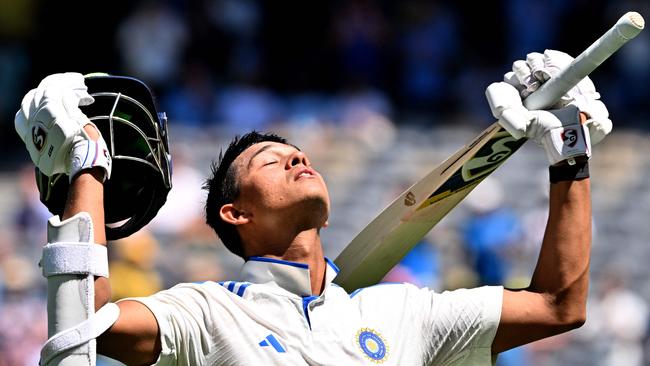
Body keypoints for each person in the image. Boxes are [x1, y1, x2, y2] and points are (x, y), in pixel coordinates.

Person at [15, 49, 612, 365]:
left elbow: (559, 306)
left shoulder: (406, 312)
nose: (299, 159)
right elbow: (83, 330)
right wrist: (86, 163)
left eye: (300, 153)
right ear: (235, 214)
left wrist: (569, 157)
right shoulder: (206, 313)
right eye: (272, 161)